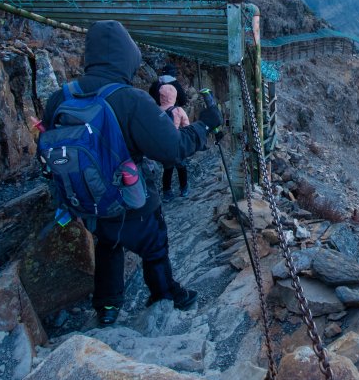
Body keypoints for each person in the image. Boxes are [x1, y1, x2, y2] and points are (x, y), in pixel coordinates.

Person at [41, 21, 223, 325]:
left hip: (83, 200)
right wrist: (204, 125)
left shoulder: (59, 99)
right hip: (131, 199)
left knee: (108, 244)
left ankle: (108, 307)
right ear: (127, 57)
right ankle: (165, 294)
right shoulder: (130, 100)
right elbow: (173, 149)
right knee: (154, 246)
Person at [158, 83, 191, 200]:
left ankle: (167, 192)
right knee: (181, 166)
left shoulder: (156, 110)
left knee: (167, 169)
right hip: (177, 143)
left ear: (161, 96)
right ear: (174, 96)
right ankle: (184, 188)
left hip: (164, 145)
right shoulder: (178, 110)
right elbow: (187, 125)